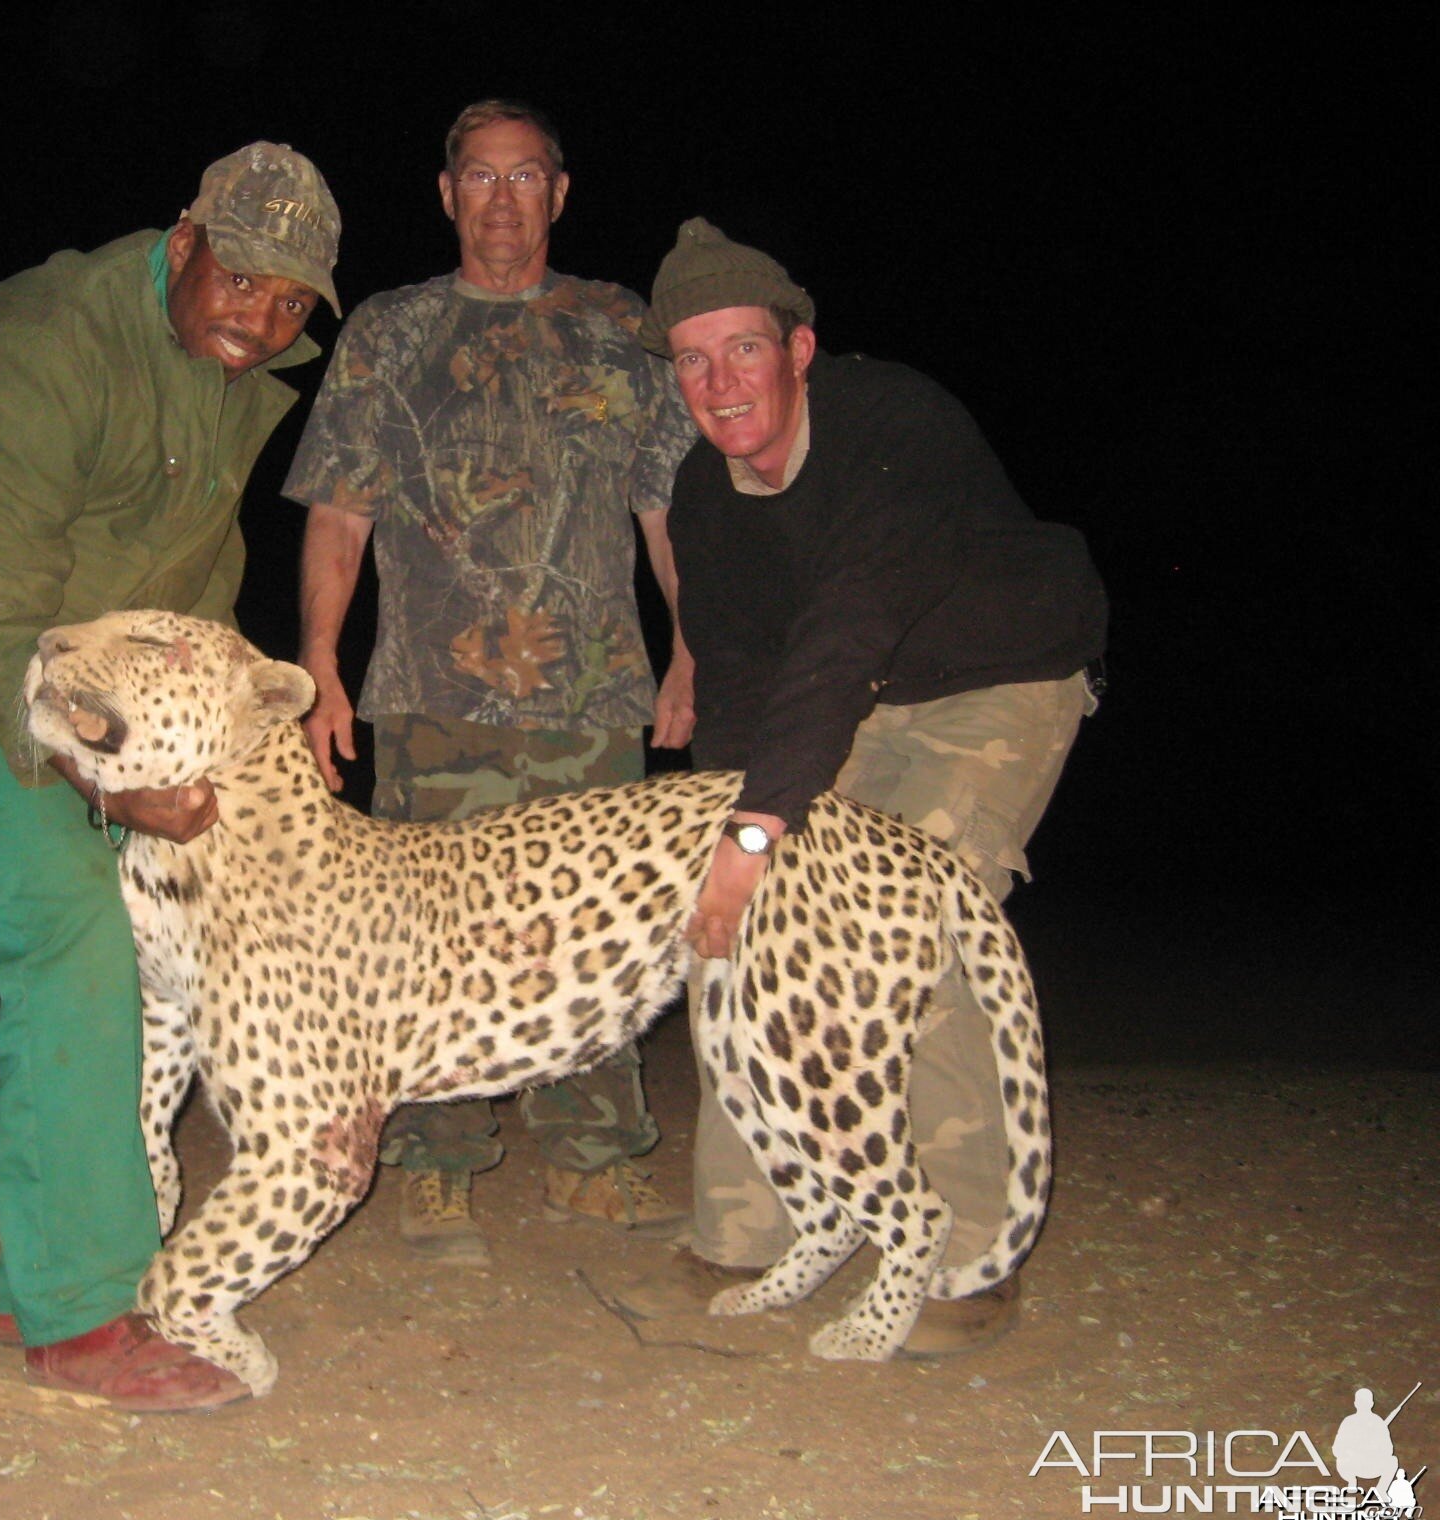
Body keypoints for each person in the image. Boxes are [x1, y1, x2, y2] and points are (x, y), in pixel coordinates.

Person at [0, 143, 341, 1411]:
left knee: (138, 955)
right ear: (185, 235)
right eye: (243, 278)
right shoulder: (36, 350)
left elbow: (189, 584)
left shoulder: (227, 367)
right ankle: (87, 1317)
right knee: (72, 949)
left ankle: (32, 1275)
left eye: (291, 304)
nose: (259, 320)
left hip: (90, 675)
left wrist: (211, 753)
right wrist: (112, 786)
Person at [611, 219, 1108, 1355]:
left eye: (741, 349)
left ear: (797, 349)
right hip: (843, 696)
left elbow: (844, 627)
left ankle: (971, 1259)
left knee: (904, 944)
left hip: (989, 681)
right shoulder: (700, 493)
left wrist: (754, 834)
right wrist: (727, 857)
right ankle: (737, 1237)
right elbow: (740, 690)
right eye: (690, 359)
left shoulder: (893, 419)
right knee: (739, 936)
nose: (717, 381)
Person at [282, 101, 697, 1267]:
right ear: (445, 193)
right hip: (428, 691)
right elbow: (338, 509)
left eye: (525, 178)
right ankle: (435, 1169)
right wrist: (317, 661)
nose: (502, 199)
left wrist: (690, 643)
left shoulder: (622, 328)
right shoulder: (389, 329)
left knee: (594, 934)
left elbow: (661, 506)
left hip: (592, 692)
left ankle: (591, 1163)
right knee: (429, 943)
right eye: (480, 178)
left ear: (558, 195)